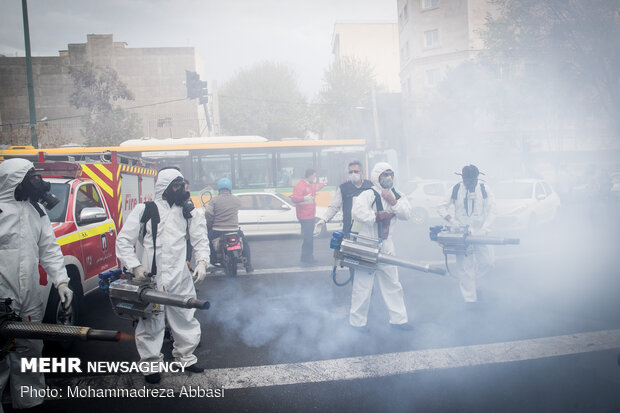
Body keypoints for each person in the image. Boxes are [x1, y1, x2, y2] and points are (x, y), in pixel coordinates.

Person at [116, 168, 210, 384]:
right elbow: (123, 241)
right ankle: (150, 365)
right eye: (176, 186)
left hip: (180, 276)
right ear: (164, 189)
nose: (181, 191)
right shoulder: (145, 210)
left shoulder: (189, 211)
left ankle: (186, 358)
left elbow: (200, 239)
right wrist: (135, 266)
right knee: (151, 321)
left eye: (182, 186)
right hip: (152, 277)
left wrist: (202, 262)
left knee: (185, 317)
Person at [0, 158, 73, 411]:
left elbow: (50, 250)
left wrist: (61, 282)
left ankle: (31, 403)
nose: (36, 182)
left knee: (30, 352)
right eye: (30, 177)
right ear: (14, 181)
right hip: (1, 298)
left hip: (29, 297)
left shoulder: (37, 212)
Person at [349, 162, 413, 331]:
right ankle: (357, 323)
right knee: (362, 286)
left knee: (393, 283)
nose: (388, 178)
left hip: (387, 244)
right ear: (377, 177)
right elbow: (357, 212)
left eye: (391, 174)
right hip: (367, 242)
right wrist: (378, 216)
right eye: (384, 175)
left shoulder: (397, 195)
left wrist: (393, 202)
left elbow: (406, 214)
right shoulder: (367, 195)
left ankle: (399, 320)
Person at [437, 164, 497, 304]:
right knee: (465, 267)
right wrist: (452, 220)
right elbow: (440, 207)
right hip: (461, 232)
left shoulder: (484, 189)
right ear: (462, 178)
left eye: (473, 180)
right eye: (468, 180)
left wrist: (485, 228)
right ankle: (470, 300)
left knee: (487, 261)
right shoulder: (455, 189)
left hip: (480, 232)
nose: (471, 183)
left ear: (477, 178)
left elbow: (493, 210)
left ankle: (473, 281)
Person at [204, 177, 253, 272]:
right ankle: (248, 265)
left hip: (217, 230)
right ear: (229, 188)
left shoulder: (214, 200)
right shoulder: (236, 200)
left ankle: (212, 261)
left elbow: (208, 213)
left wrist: (210, 224)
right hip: (234, 229)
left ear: (219, 189)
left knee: (207, 242)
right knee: (245, 244)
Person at [315, 160, 373, 237]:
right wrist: (324, 219)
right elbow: (334, 206)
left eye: (356, 171)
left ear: (361, 172)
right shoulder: (344, 187)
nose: (353, 174)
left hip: (367, 228)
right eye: (351, 172)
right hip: (349, 228)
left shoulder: (370, 186)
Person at [291, 168, 325, 265]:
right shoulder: (301, 186)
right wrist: (304, 198)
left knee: (308, 237)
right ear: (309, 176)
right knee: (308, 238)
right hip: (305, 216)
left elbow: (317, 187)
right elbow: (294, 198)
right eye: (314, 176)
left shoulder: (309, 185)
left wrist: (324, 184)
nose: (315, 178)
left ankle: (305, 256)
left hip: (310, 215)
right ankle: (308, 257)